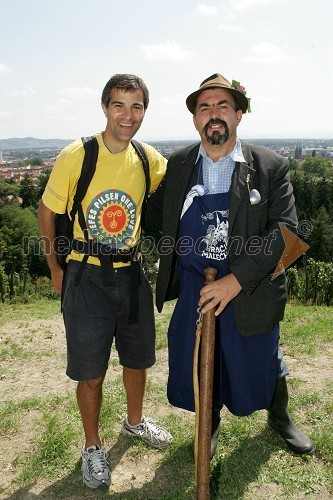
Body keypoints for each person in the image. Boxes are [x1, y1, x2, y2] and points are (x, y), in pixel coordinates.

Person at [145, 73, 313, 459]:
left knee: (264, 355)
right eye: (205, 107)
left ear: (239, 114)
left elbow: (288, 232)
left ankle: (280, 417)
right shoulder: (181, 163)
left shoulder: (270, 166)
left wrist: (235, 281)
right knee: (202, 357)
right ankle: (211, 421)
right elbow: (154, 214)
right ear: (195, 119)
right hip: (195, 289)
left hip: (249, 287)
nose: (213, 114)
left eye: (222, 105)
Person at [38, 74, 173, 491]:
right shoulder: (77, 156)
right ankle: (93, 446)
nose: (127, 115)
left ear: (144, 112)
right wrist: (56, 268)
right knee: (91, 370)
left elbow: (180, 189)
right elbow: (47, 214)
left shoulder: (148, 159)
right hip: (86, 272)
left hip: (132, 273)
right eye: (119, 105)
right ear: (104, 107)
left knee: (137, 359)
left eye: (136, 107)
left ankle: (134, 422)